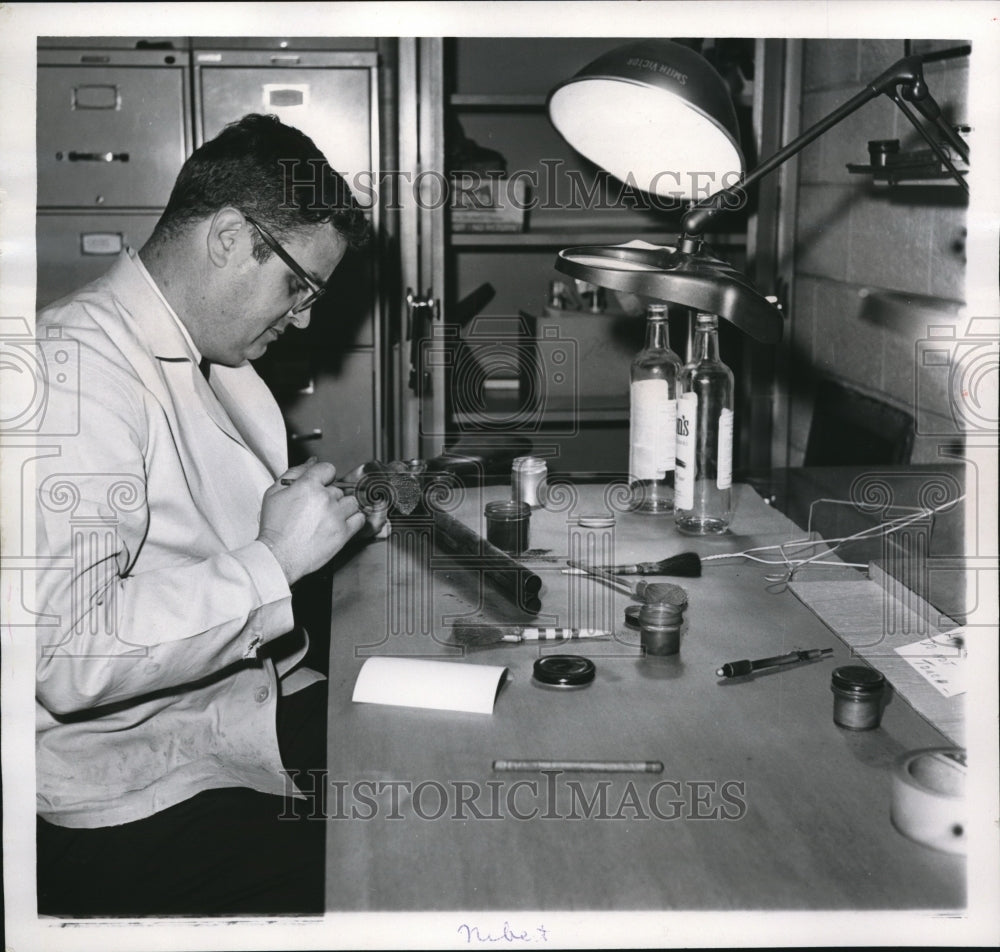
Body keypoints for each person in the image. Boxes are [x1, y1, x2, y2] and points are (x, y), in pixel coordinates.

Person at [34, 113, 371, 916]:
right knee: (392, 877)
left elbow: (220, 548)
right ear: (228, 237)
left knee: (440, 764)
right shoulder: (74, 371)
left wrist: (332, 524)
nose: (307, 318)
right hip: (129, 791)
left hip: (230, 710)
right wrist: (277, 560)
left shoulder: (214, 358)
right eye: (299, 285)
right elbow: (68, 656)